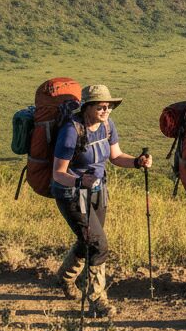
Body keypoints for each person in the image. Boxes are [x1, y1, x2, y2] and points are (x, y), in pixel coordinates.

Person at [52, 84, 152, 318]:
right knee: (98, 244)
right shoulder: (71, 131)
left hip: (98, 191)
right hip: (71, 194)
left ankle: (65, 278)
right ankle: (97, 299)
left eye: (109, 106)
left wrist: (137, 162)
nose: (107, 110)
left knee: (87, 239)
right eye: (101, 106)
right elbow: (58, 173)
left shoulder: (107, 125)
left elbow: (116, 157)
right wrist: (79, 182)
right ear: (87, 107)